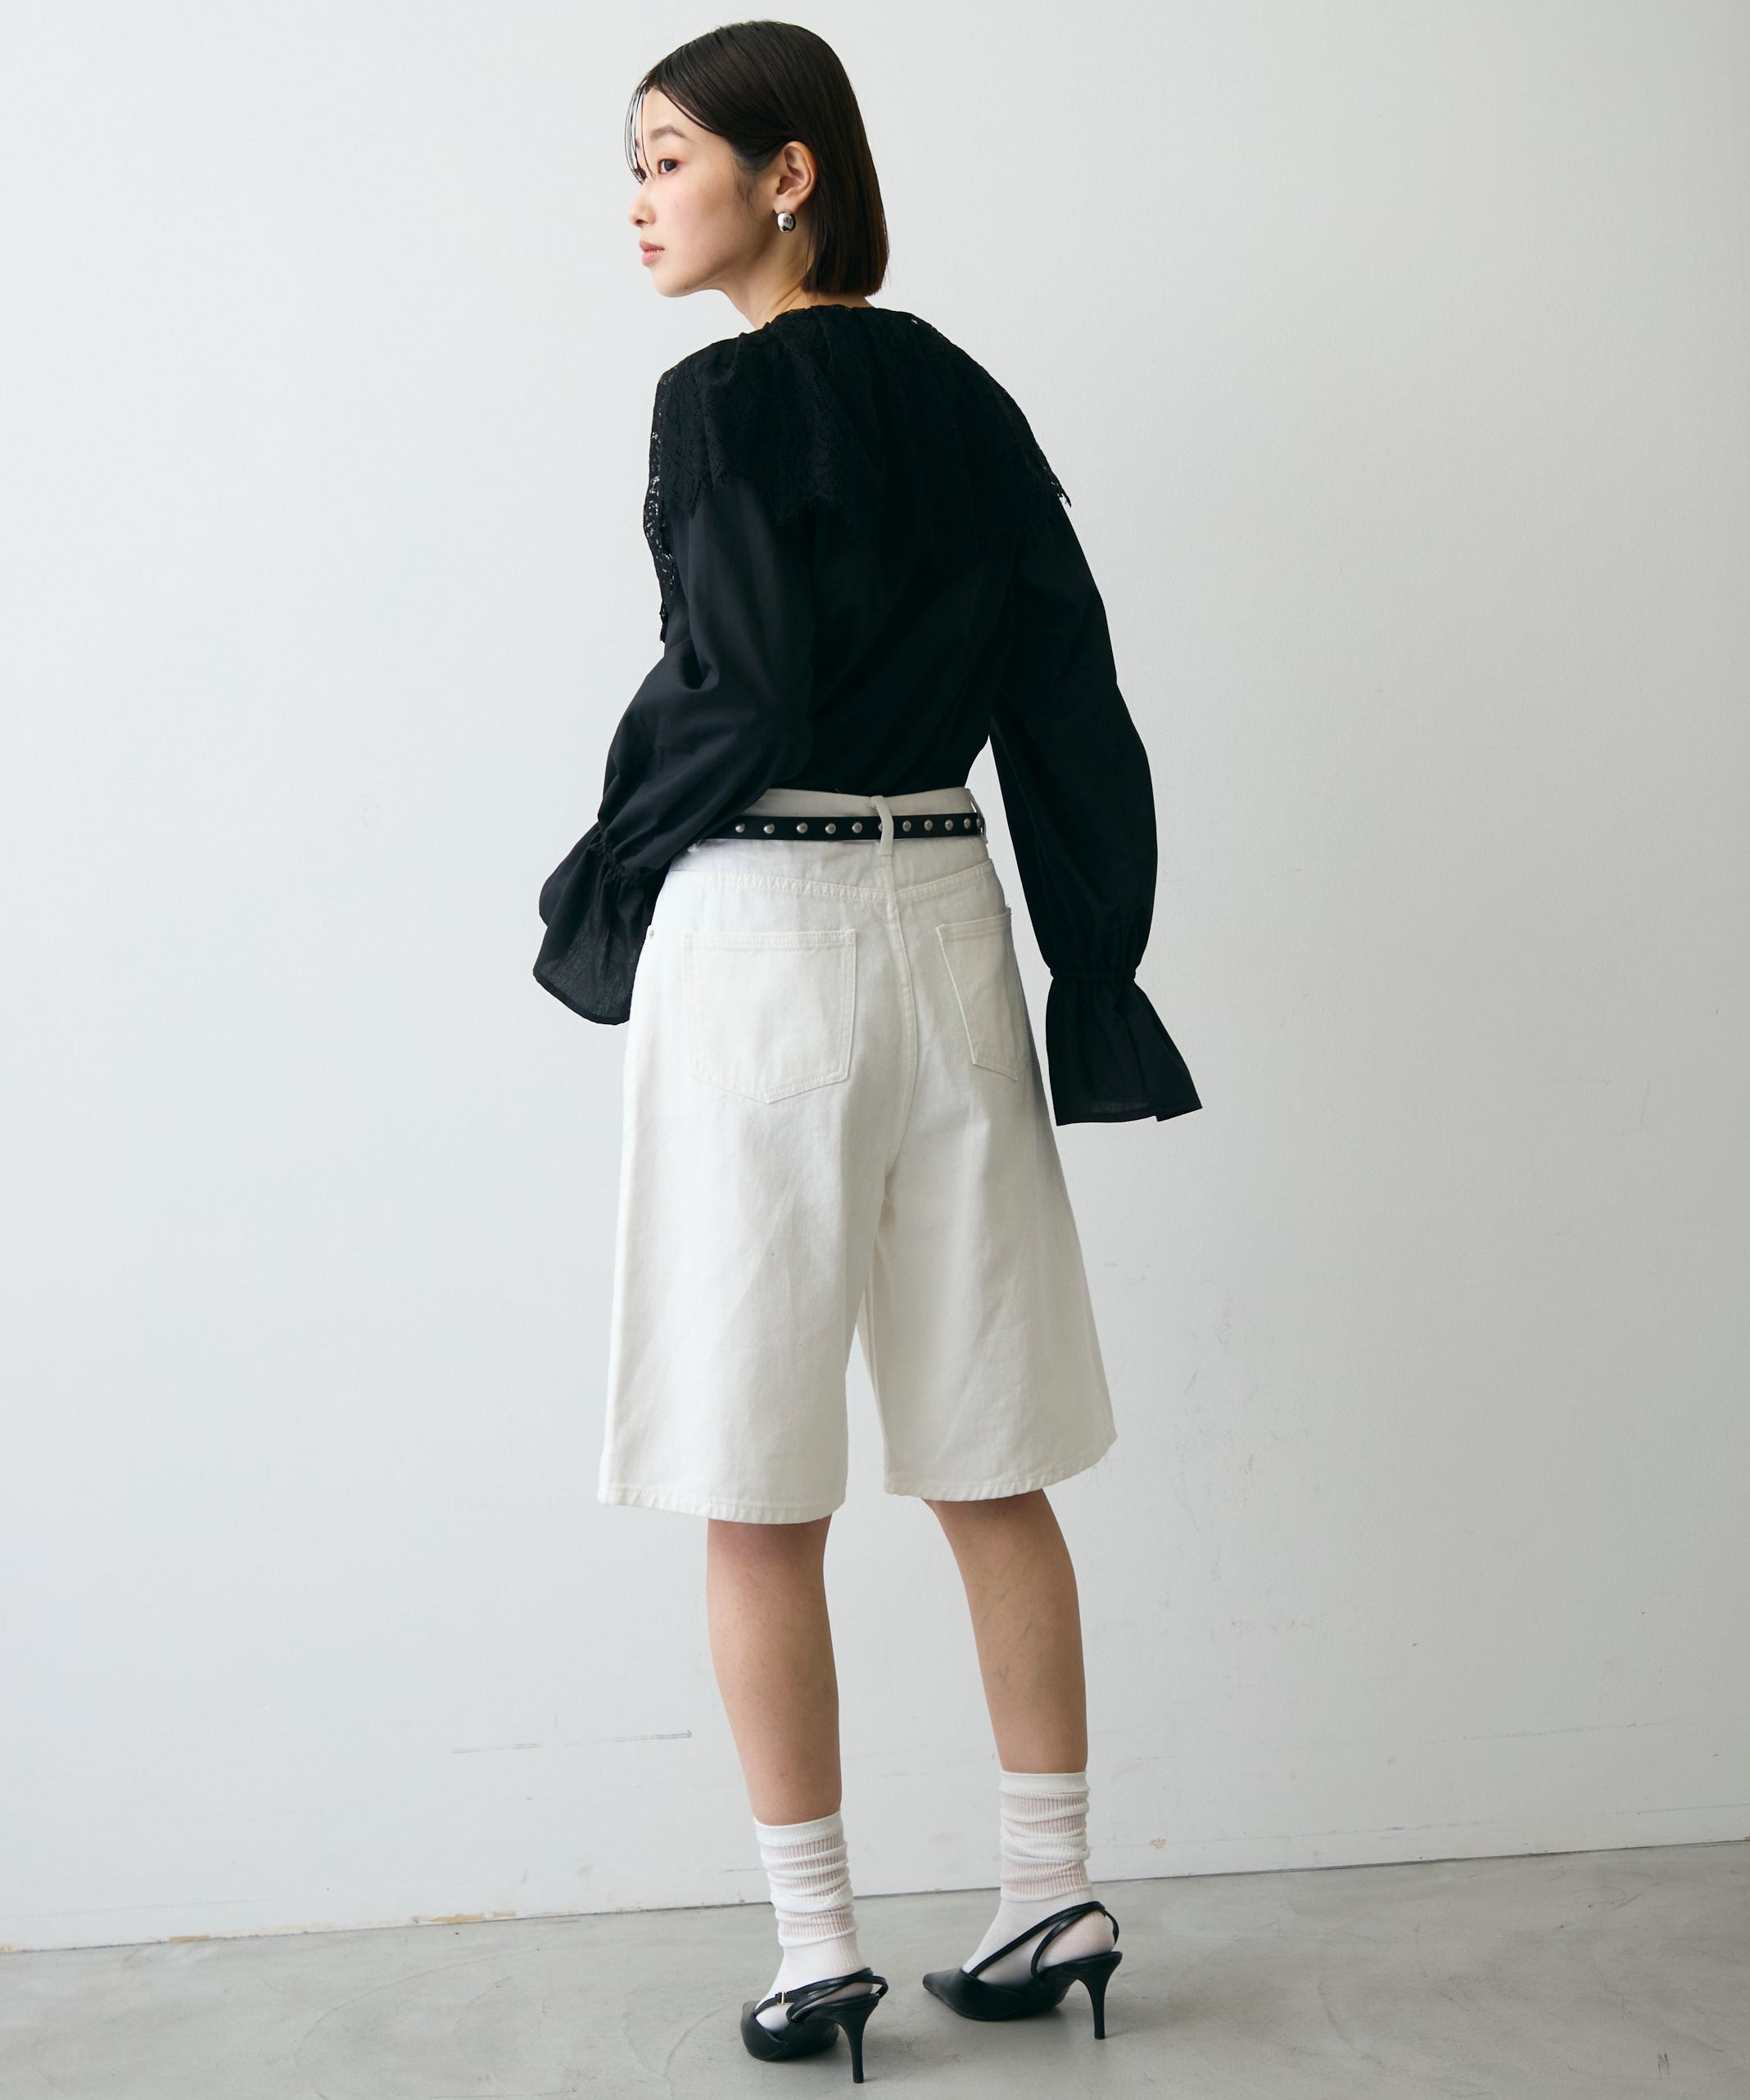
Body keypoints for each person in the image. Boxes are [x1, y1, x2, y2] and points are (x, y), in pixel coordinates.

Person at [532, 21, 1201, 2082]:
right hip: (953, 918)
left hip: (770, 934)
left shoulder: (722, 396)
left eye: (667, 155)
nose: (638, 199)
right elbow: (1071, 699)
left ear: (789, 172)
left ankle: (817, 1944)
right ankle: (1048, 1886)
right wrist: (1095, 968)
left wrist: (602, 861)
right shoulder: (973, 399)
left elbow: (734, 687)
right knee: (991, 1457)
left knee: (755, 1479)